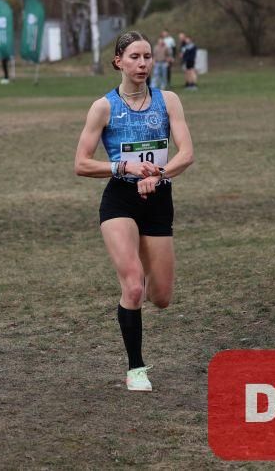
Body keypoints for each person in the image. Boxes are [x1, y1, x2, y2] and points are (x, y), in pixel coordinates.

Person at [73, 31, 195, 392]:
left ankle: (141, 280)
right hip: (120, 201)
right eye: (134, 57)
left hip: (158, 199)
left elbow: (187, 153)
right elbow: (81, 163)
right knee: (133, 284)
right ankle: (136, 368)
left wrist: (159, 174)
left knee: (162, 297)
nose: (143, 64)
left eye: (147, 57)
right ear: (119, 62)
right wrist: (123, 167)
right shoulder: (103, 107)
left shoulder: (168, 101)